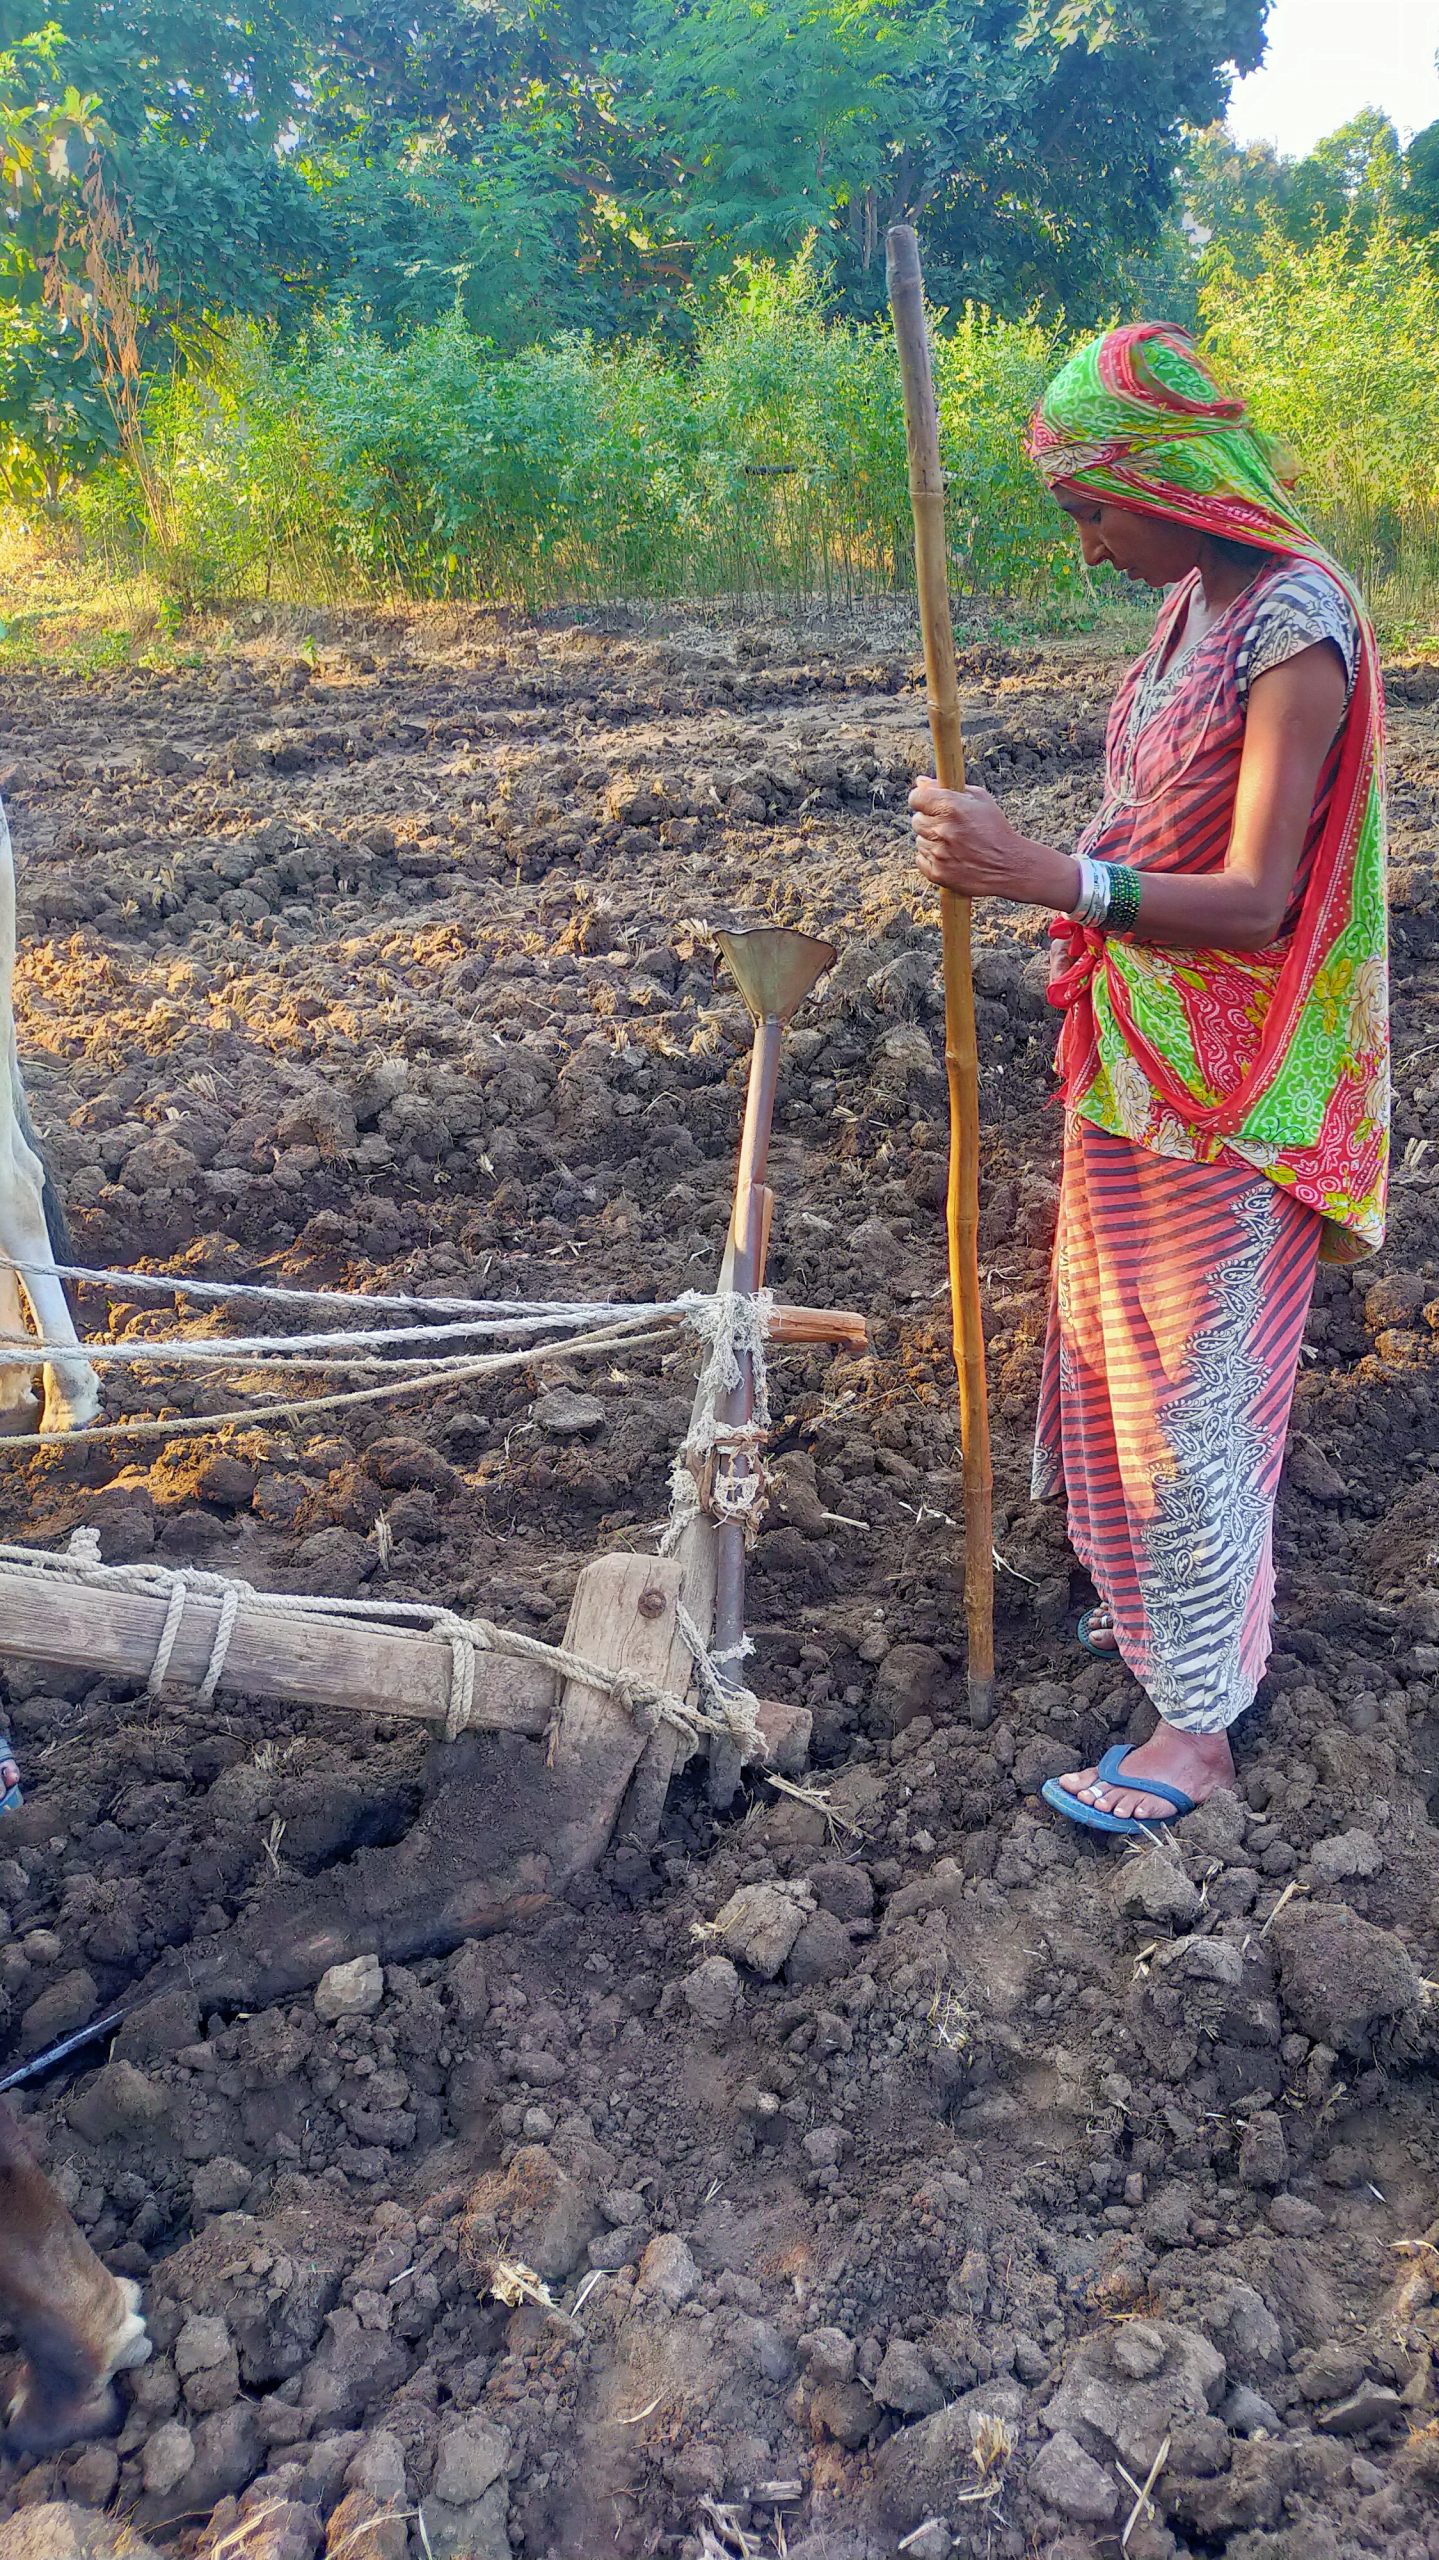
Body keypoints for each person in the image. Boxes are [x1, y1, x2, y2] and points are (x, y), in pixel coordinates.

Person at [908, 322, 1388, 1834]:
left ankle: (1199, 1730)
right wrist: (1037, 866)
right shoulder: (1196, 601)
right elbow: (1150, 813)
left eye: (1093, 511)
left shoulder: (1294, 624)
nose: (1089, 545)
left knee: (1194, 1385)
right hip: (1138, 1052)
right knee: (1114, 1343)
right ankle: (1145, 1608)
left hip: (1239, 1077)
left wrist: (1045, 874)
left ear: (1167, 483)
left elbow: (1251, 895)